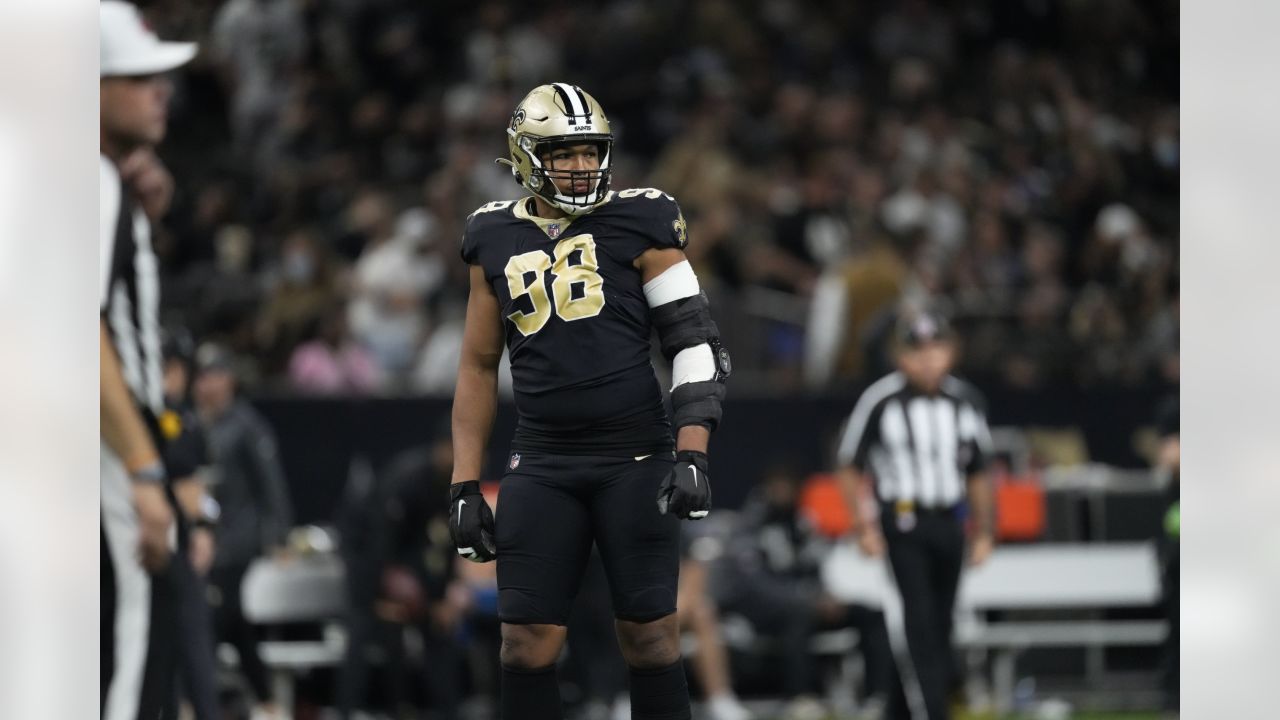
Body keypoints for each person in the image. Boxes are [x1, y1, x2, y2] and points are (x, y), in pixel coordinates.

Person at [448, 83, 732, 720]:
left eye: (590, 151)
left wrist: (693, 451)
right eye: (565, 153)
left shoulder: (644, 218)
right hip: (542, 461)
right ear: (525, 155)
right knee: (524, 644)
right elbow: (476, 366)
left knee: (652, 636)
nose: (581, 166)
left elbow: (694, 341)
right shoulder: (491, 234)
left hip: (636, 456)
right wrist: (465, 483)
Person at [100, 3, 197, 717]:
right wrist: (141, 469)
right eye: (136, 77)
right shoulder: (88, 183)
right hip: (103, 454)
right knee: (128, 669)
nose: (159, 90)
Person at [835, 308, 996, 720]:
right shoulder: (881, 400)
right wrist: (863, 526)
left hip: (949, 522)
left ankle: (899, 710)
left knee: (942, 623)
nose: (927, 359)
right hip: (903, 523)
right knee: (918, 621)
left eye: (937, 348)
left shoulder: (964, 402)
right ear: (899, 356)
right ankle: (934, 711)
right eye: (917, 350)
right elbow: (849, 464)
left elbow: (979, 471)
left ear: (953, 352)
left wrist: (984, 532)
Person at [715, 469, 892, 720]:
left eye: (788, 486)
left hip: (810, 603)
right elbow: (753, 584)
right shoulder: (750, 526)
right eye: (777, 486)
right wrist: (804, 599)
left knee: (871, 615)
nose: (782, 493)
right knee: (798, 614)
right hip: (764, 611)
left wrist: (828, 595)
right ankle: (800, 697)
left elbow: (818, 564)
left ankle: (878, 696)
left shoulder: (803, 523)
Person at [192, 343, 294, 719]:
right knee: (233, 624)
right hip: (209, 540)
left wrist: (278, 536)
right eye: (202, 377)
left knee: (219, 617)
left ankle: (202, 701)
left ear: (230, 380)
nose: (207, 385)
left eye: (215, 376)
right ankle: (266, 702)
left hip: (240, 539)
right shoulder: (197, 422)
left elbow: (272, 484)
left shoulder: (247, 425)